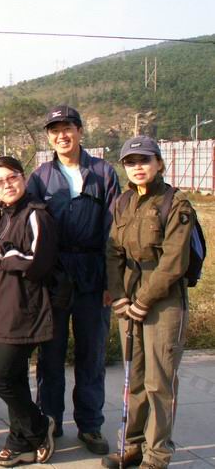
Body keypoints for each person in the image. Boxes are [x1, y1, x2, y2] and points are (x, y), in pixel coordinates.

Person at [26, 105, 120, 455]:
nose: (62, 135)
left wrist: (112, 282)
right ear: (48, 137)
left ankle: (90, 424)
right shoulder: (40, 177)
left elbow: (114, 229)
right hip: (55, 275)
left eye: (68, 128)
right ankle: (50, 420)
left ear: (80, 131)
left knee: (91, 353)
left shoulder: (103, 172)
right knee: (50, 355)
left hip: (93, 274)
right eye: (55, 130)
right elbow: (31, 230)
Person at [102, 136, 195, 469]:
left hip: (164, 300)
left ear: (159, 163)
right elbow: (113, 251)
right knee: (135, 377)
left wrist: (143, 301)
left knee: (159, 382)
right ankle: (132, 444)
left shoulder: (176, 203)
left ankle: (157, 454)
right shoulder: (123, 202)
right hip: (129, 296)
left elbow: (174, 261)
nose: (137, 167)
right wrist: (119, 296)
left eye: (144, 160)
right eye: (130, 162)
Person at [0, 156, 58, 467]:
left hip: (24, 311)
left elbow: (38, 263)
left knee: (0, 379)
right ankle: (18, 441)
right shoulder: (4, 215)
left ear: (23, 177)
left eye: (12, 178)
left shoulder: (36, 215)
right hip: (2, 312)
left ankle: (39, 427)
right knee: (16, 378)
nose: (7, 185)